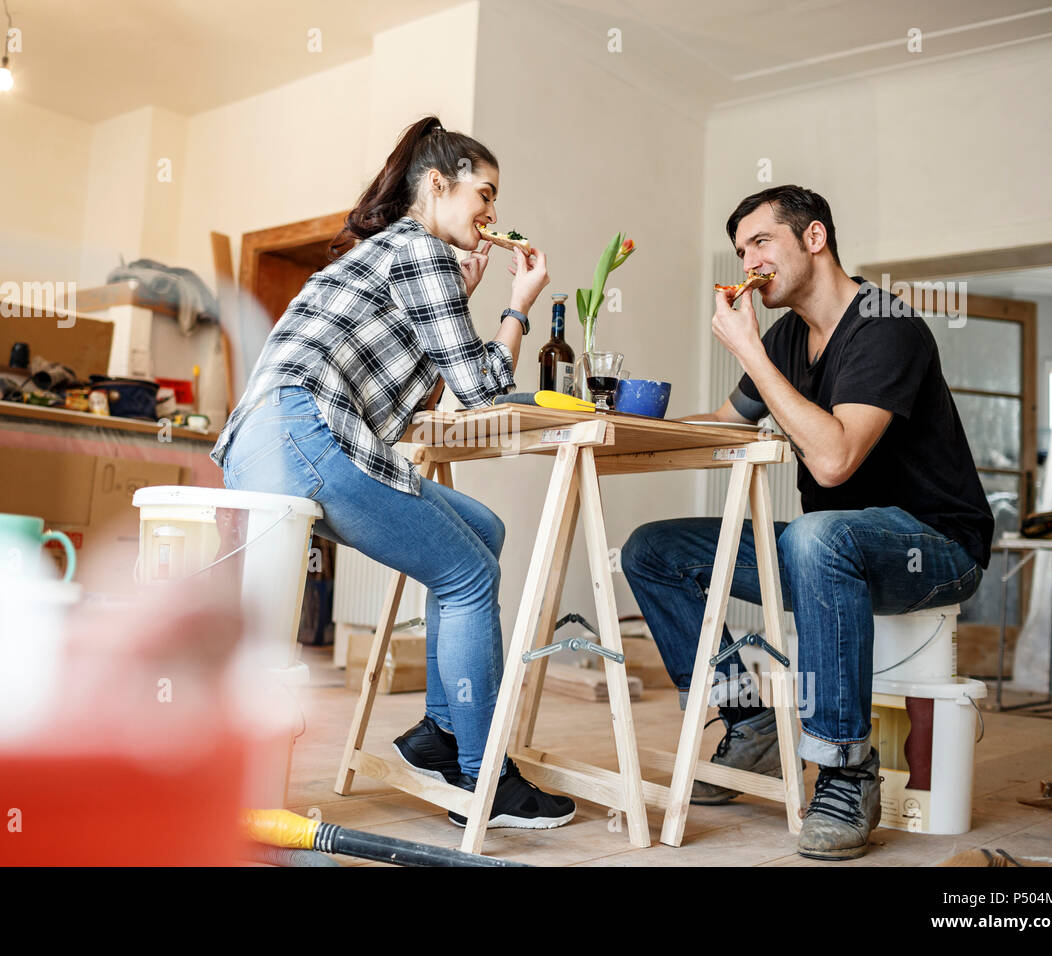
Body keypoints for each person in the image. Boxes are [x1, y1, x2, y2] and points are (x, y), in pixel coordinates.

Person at [212, 116, 576, 830]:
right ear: (437, 185)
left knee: (484, 530)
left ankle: (440, 734)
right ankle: (484, 774)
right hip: (304, 436)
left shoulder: (396, 254)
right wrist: (517, 308)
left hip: (270, 441)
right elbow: (479, 388)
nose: (493, 215)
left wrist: (469, 305)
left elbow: (420, 393)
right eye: (485, 193)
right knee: (469, 575)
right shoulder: (420, 250)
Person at [621, 185, 993, 860]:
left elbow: (832, 461)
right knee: (651, 550)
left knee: (819, 532)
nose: (749, 260)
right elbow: (729, 423)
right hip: (828, 554)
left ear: (813, 239)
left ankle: (847, 773)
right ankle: (748, 716)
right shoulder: (793, 335)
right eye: (740, 250)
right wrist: (624, 424)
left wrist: (748, 352)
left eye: (761, 242)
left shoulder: (886, 326)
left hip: (934, 547)